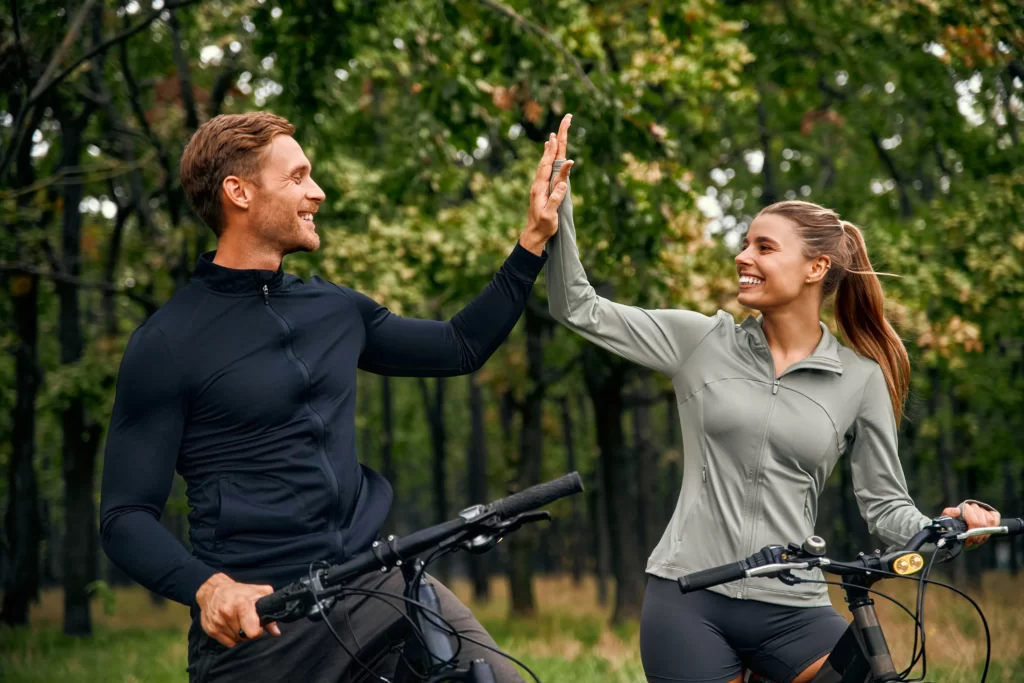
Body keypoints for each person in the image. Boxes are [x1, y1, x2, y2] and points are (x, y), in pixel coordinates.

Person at [99, 111, 572, 683]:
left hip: (375, 584)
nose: (317, 193)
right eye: (297, 178)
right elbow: (125, 517)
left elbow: (459, 346)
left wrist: (533, 241)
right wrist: (209, 587)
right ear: (238, 192)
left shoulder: (337, 310)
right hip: (264, 624)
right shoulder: (166, 344)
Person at [543, 115, 1000, 683]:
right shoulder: (701, 341)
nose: (743, 257)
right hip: (689, 598)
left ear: (816, 268)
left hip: (797, 609)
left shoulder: (861, 378)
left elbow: (884, 507)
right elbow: (576, 306)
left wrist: (948, 527)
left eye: (764, 247)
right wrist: (558, 208)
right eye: (744, 243)